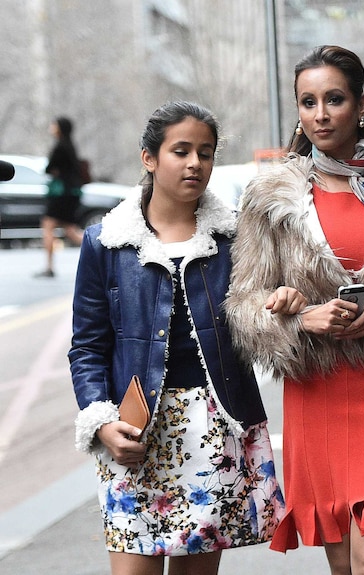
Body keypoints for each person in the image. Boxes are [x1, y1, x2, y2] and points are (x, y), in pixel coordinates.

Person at [224, 45, 364, 575]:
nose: (321, 114)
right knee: (344, 563)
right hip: (317, 388)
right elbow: (243, 302)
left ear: (360, 104)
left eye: (335, 99)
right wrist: (299, 318)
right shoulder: (270, 196)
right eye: (308, 102)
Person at [69, 101, 285, 575]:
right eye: (181, 151)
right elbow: (86, 347)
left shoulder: (236, 237)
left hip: (214, 425)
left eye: (205, 153)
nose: (195, 164)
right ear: (149, 157)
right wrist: (101, 422)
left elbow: (258, 319)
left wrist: (282, 304)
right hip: (135, 430)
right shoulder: (106, 242)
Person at [36, 116, 85, 277]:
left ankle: (49, 267)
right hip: (71, 193)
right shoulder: (71, 146)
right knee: (70, 229)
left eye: (54, 125)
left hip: (61, 194)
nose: (52, 127)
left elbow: (49, 168)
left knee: (48, 225)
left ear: (60, 128)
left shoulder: (61, 147)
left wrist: (54, 170)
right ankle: (104, 251)